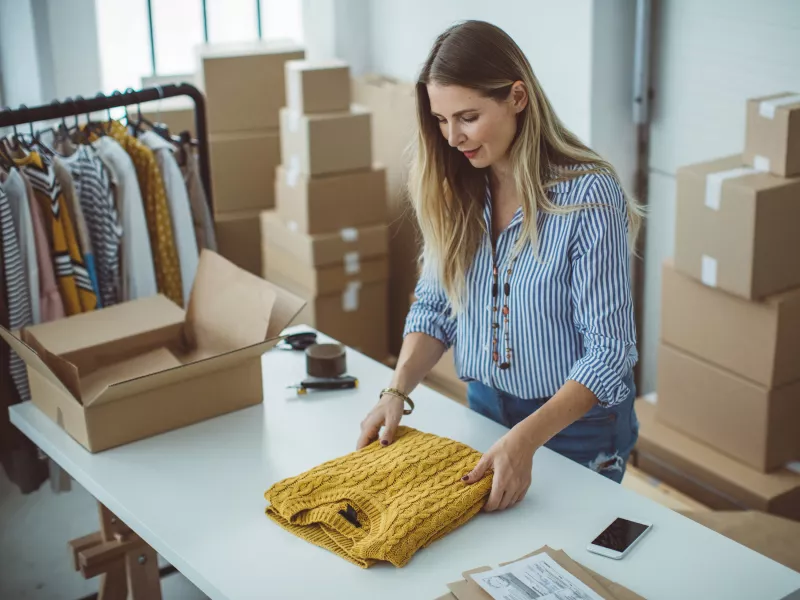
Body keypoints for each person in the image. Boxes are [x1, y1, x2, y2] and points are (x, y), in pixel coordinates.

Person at [356, 20, 644, 512]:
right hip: (486, 409)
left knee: (562, 569)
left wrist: (527, 439)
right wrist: (395, 390)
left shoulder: (589, 195)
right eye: (441, 120)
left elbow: (610, 353)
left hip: (577, 429)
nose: (452, 138)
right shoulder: (456, 185)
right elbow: (436, 306)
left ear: (517, 97)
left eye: (467, 117)